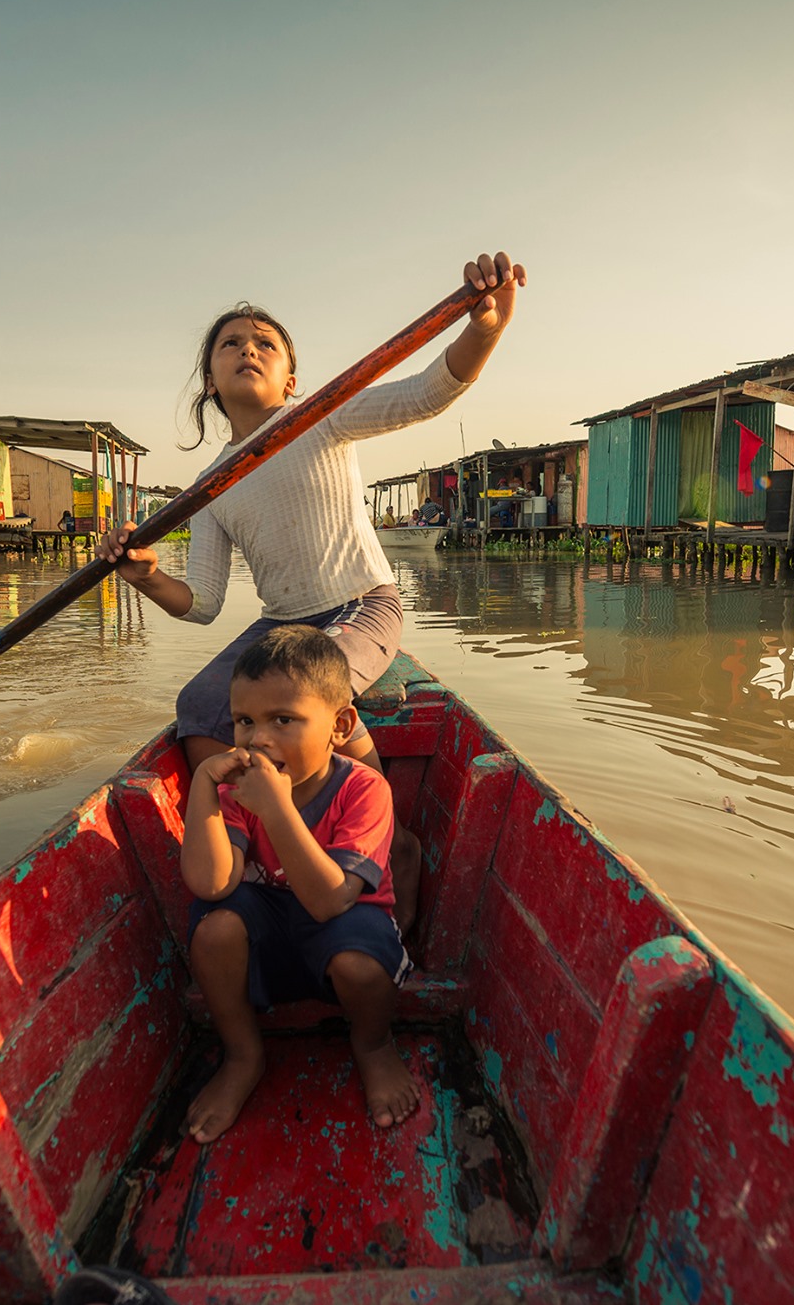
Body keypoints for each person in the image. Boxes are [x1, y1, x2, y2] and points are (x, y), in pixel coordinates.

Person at [98, 253, 526, 934]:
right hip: (283, 621)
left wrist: (486, 328)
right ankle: (259, 837)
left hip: (363, 603)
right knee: (198, 706)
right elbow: (201, 602)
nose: (248, 349)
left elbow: (427, 392)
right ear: (211, 381)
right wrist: (146, 574)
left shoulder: (321, 416)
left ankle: (392, 843)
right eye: (231, 343)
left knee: (309, 688)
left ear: (289, 378)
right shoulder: (211, 485)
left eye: (264, 342)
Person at [182, 627, 411, 1142]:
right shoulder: (239, 789)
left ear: (339, 726)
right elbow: (210, 884)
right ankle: (243, 1054)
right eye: (244, 721)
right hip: (272, 930)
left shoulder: (363, 788)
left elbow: (333, 901)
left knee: (361, 965)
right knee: (213, 929)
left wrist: (278, 810)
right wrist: (204, 786)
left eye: (283, 720)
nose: (258, 739)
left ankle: (374, 1045)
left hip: (342, 923)